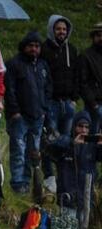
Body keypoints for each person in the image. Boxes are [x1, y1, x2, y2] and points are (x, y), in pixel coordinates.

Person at [47, 111, 102, 229]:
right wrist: (72, 144)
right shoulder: (66, 141)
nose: (83, 130)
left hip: (85, 199)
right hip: (67, 197)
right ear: (74, 126)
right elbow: (50, 149)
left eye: (86, 127)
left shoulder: (92, 147)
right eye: (80, 126)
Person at [5, 31, 52, 195]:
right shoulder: (14, 64)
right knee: (18, 149)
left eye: (37, 46)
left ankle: (28, 181)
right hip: (19, 116)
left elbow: (48, 88)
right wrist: (14, 111)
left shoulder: (43, 65)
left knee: (33, 152)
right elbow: (9, 90)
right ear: (24, 46)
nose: (34, 49)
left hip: (38, 115)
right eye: (31, 45)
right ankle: (18, 183)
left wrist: (44, 109)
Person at [41, 15, 80, 187]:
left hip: (68, 103)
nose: (61, 32)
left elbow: (77, 75)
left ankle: (63, 173)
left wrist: (74, 98)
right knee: (50, 139)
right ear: (52, 29)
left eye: (64, 29)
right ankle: (48, 175)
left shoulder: (71, 49)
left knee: (66, 140)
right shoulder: (43, 49)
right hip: (52, 102)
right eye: (58, 29)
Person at [80, 23, 102, 133]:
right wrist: (94, 104)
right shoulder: (86, 56)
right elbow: (83, 82)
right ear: (93, 37)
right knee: (93, 135)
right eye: (98, 35)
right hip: (94, 105)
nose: (101, 38)